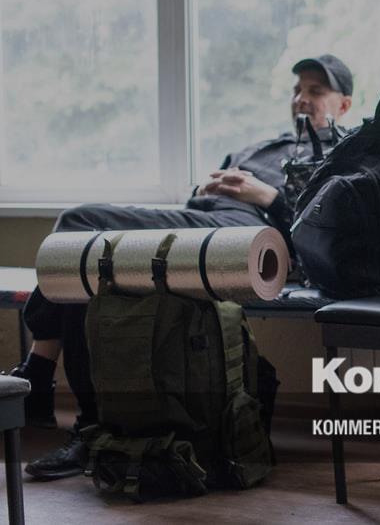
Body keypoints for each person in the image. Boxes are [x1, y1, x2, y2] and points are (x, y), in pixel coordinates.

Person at [7, 53, 355, 481]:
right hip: (199, 221)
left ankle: (39, 375)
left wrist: (266, 195)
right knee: (87, 253)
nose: (301, 98)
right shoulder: (260, 147)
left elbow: (322, 234)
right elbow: (198, 203)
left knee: (78, 224)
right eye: (297, 89)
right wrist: (203, 190)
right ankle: (90, 426)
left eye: (316, 91)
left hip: (245, 233)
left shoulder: (343, 157)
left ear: (343, 105)